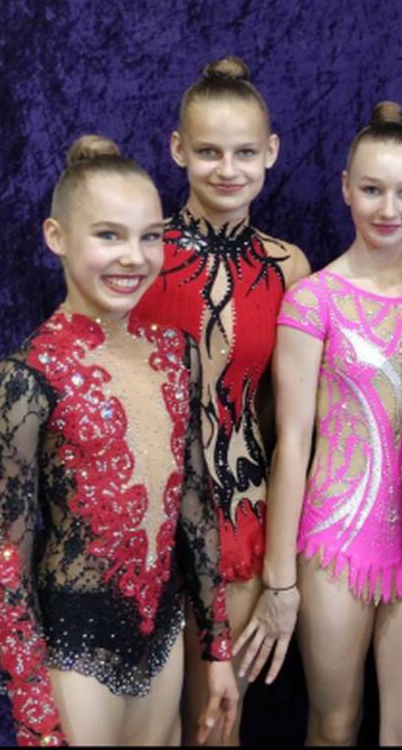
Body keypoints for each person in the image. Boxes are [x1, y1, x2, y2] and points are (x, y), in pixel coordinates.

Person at [0, 135, 239, 746]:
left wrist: (217, 649)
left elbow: (194, 504)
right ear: (56, 236)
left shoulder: (174, 354)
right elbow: (7, 560)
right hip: (76, 648)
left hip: (164, 639)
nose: (133, 257)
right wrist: (36, 720)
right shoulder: (27, 377)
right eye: (108, 236)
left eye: (149, 237)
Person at [256, 102, 402, 744]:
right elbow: (293, 442)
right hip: (334, 541)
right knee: (334, 726)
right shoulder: (313, 299)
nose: (388, 209)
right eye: (373, 190)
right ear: (346, 187)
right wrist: (279, 578)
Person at [131, 56, 309, 744]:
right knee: (146, 728)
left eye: (244, 153)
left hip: (241, 514)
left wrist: (282, 569)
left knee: (215, 725)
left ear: (271, 152)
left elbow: (290, 423)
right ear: (178, 150)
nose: (227, 169)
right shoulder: (141, 254)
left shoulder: (289, 267)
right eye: (208, 152)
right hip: (145, 514)